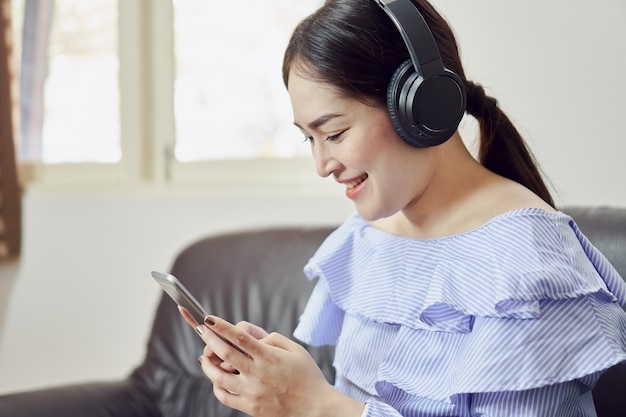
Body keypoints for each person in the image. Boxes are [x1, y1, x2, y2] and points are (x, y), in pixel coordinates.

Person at [184, 0, 626, 415]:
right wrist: (284, 388)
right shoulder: (366, 239)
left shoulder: (526, 261)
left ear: (421, 107)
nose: (322, 165)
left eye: (334, 133)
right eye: (309, 138)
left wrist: (317, 404)